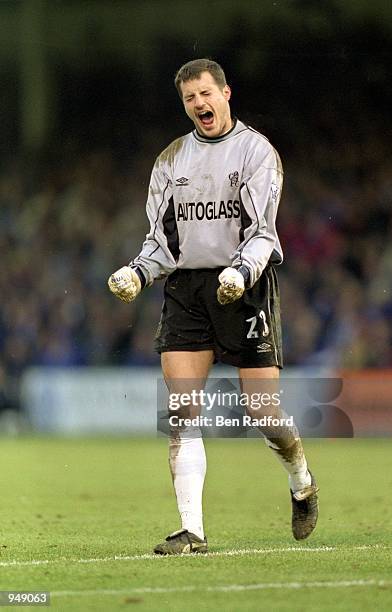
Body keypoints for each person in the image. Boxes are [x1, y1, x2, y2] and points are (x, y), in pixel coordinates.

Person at [108, 58, 318, 555]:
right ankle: (192, 531)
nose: (199, 104)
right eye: (189, 98)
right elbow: (163, 242)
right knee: (182, 410)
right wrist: (137, 271)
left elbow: (263, 232)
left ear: (226, 93)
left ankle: (302, 480)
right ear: (184, 104)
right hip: (186, 292)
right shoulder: (170, 161)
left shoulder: (256, 152)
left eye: (206, 93)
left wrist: (240, 272)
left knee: (262, 411)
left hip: (244, 286)